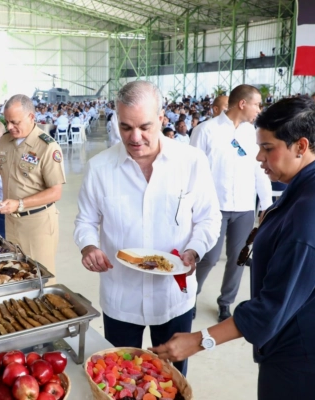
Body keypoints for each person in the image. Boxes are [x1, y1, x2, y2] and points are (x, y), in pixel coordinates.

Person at [152, 96, 315, 400]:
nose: (258, 157)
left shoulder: (313, 215)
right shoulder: (311, 185)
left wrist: (199, 340)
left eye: (268, 148)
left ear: (301, 146)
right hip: (304, 340)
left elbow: (272, 307)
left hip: (310, 356)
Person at [74, 80, 221, 375]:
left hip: (173, 296)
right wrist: (89, 247)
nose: (135, 137)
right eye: (126, 127)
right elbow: (86, 220)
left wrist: (194, 250)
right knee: (119, 377)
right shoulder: (100, 168)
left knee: (170, 379)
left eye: (145, 126)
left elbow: (209, 218)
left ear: (162, 119)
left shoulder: (190, 161)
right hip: (121, 297)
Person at [190, 84, 273, 322]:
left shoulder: (253, 134)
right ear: (243, 104)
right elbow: (193, 171)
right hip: (213, 207)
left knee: (239, 258)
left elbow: (260, 170)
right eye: (257, 104)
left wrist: (266, 203)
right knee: (208, 257)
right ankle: (190, 296)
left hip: (244, 207)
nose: (259, 109)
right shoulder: (206, 130)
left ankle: (226, 302)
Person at [0, 94, 65, 277]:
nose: (9, 127)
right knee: (16, 273)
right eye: (7, 122)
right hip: (12, 221)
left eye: (14, 122)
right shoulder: (5, 140)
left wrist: (20, 203)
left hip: (37, 224)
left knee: (40, 276)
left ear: (31, 117)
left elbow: (55, 192)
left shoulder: (47, 147)